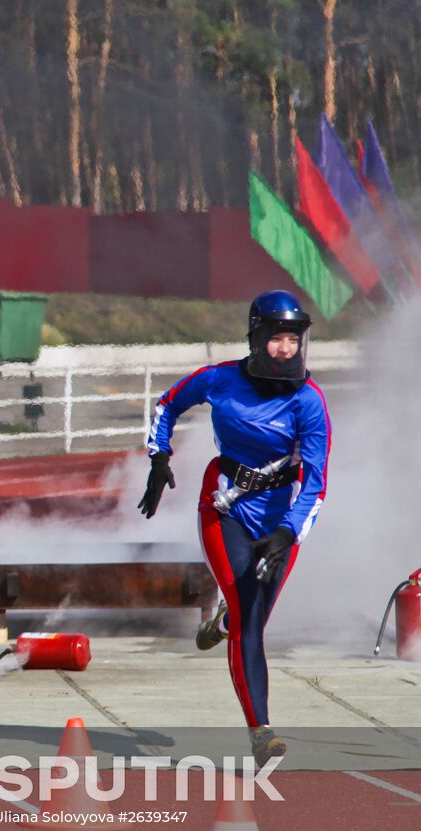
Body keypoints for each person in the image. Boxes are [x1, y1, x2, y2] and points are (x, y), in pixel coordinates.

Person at [137, 290, 331, 765]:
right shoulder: (220, 379)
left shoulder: (309, 401)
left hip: (278, 521)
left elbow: (317, 482)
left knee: (253, 618)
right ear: (257, 336)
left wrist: (288, 533)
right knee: (250, 616)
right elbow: (167, 405)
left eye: (294, 339)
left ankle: (223, 622)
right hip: (222, 506)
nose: (287, 348)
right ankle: (260, 729)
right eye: (278, 339)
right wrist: (158, 457)